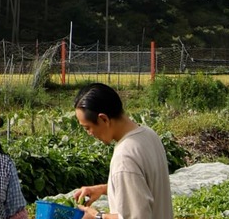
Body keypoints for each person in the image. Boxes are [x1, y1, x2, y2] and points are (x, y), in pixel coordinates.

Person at [70, 82, 172, 219]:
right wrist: (102, 189)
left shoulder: (125, 158)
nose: (89, 133)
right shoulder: (148, 135)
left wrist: (98, 216)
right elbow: (141, 186)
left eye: (87, 128)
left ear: (104, 119)